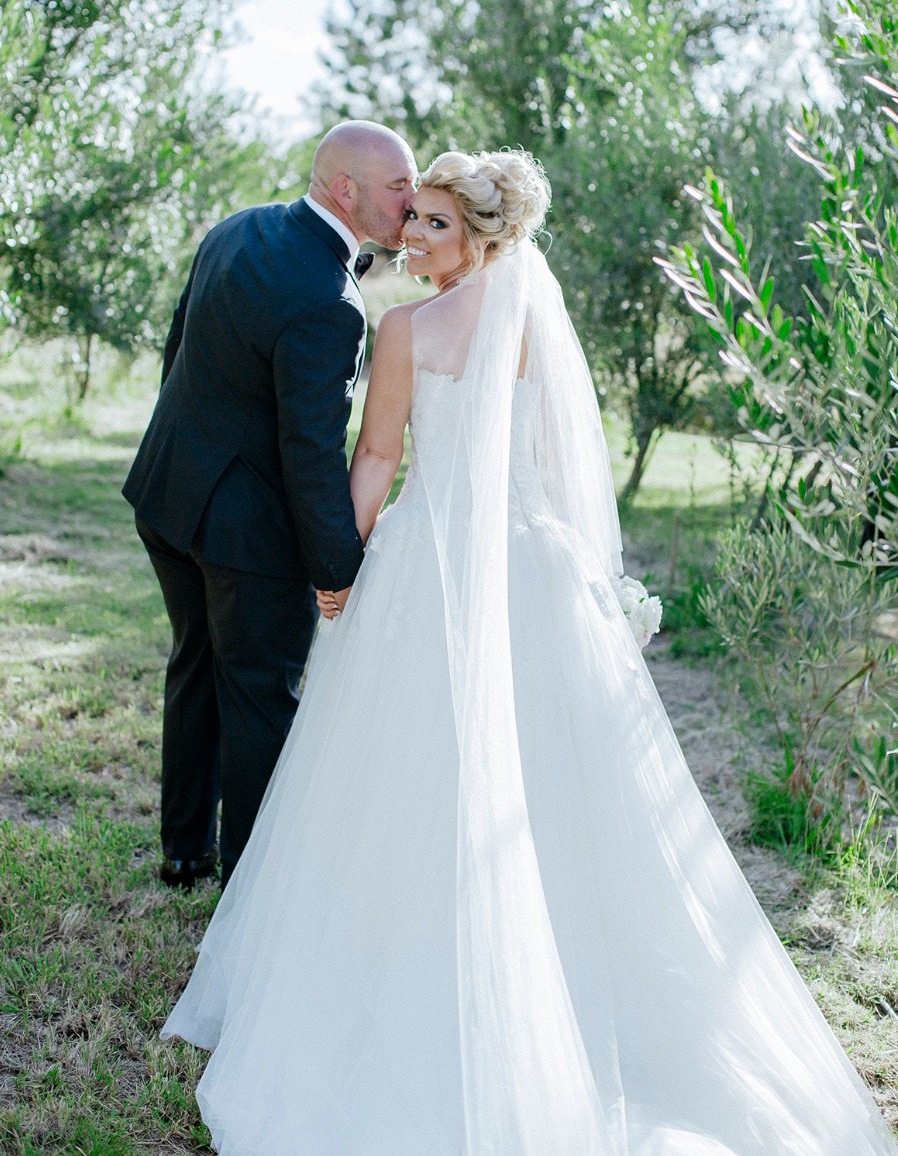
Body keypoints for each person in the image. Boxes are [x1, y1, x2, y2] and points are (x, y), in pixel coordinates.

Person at [163, 150, 897, 1155]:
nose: (410, 241)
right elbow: (558, 463)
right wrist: (583, 576)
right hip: (532, 566)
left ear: (483, 240)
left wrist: (339, 566)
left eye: (432, 226)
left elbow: (375, 456)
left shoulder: (404, 332)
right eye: (409, 220)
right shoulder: (530, 327)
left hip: (431, 567)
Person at [123, 121, 416, 890]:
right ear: (344, 189)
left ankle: (185, 851)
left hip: (165, 496)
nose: (411, 199)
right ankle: (247, 889)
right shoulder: (331, 301)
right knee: (258, 699)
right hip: (243, 533)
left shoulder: (236, 227)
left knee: (193, 666)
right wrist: (337, 567)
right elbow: (310, 452)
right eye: (398, 184)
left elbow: (176, 350)